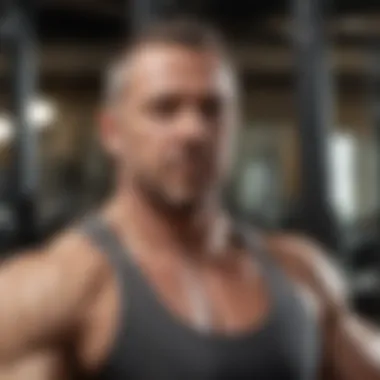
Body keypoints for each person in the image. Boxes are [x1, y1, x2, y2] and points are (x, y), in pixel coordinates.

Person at [0, 18, 379, 380]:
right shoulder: (55, 288)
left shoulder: (302, 272)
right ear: (112, 131)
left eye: (212, 109)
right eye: (165, 109)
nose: (193, 131)